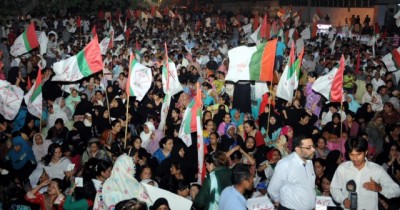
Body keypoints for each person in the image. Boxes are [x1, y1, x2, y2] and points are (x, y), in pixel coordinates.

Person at [330, 137, 400, 210]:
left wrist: (380, 188)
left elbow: (397, 190)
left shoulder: (376, 169)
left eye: (358, 154)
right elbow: (334, 189)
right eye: (351, 154)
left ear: (366, 152)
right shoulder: (343, 168)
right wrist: (343, 200)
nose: (355, 158)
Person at [268, 135, 316, 210]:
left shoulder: (309, 162)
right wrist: (279, 202)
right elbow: (272, 189)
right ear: (298, 149)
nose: (313, 149)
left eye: (313, 146)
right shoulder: (285, 163)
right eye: (308, 147)